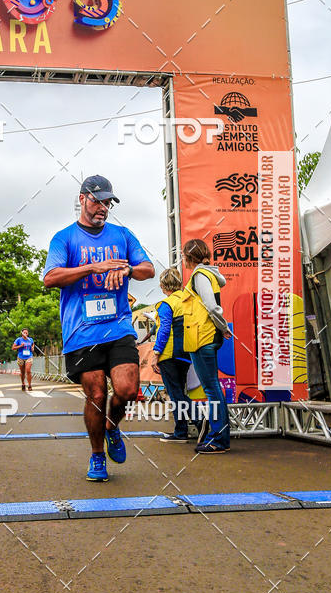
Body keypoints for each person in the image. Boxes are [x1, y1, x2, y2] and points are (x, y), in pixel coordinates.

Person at [43, 175, 155, 481]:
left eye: (107, 202)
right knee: (95, 393)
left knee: (128, 391)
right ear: (82, 199)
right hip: (82, 331)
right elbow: (50, 278)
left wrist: (127, 268)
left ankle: (112, 426)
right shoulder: (64, 239)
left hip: (118, 326)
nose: (102, 208)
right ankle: (96, 456)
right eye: (97, 201)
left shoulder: (122, 235)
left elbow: (149, 269)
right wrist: (93, 267)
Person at [181, 238, 232, 454]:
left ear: (188, 257)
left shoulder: (200, 275)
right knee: (213, 389)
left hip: (203, 337)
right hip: (203, 337)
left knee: (212, 390)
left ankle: (218, 439)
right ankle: (218, 435)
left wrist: (222, 327)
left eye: (183, 256)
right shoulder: (207, 274)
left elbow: (211, 306)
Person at [151, 268, 193, 441]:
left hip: (169, 354)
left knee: (176, 394)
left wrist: (156, 353)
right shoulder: (188, 300)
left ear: (163, 286)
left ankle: (198, 422)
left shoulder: (165, 304)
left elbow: (164, 329)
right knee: (180, 392)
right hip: (187, 353)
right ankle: (182, 430)